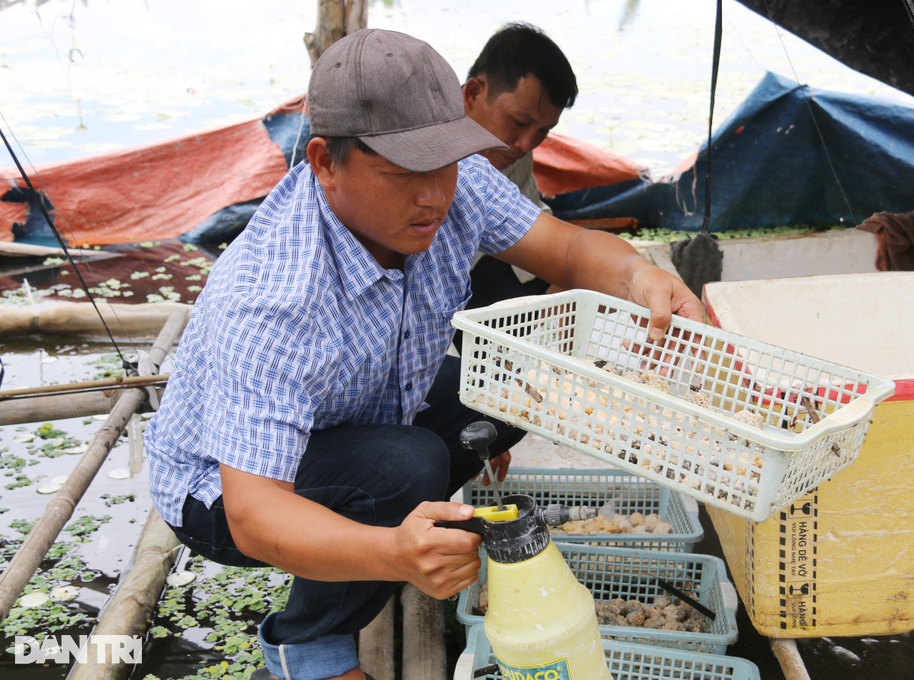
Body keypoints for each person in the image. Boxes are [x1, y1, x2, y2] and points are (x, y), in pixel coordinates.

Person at [145, 28, 704, 680]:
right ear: (326, 162)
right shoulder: (270, 294)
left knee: (505, 389)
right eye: (406, 172)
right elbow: (255, 515)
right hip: (219, 492)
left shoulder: (454, 182)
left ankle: (380, 532)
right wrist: (391, 552)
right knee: (405, 466)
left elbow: (571, 250)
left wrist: (641, 280)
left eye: (444, 162)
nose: (436, 195)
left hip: (343, 418)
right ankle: (310, 642)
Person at [455, 23, 577, 352]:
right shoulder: (422, 150)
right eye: (520, 123)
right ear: (472, 94)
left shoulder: (511, 150)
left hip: (486, 272)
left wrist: (563, 285)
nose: (525, 143)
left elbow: (536, 224)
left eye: (542, 131)